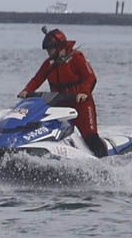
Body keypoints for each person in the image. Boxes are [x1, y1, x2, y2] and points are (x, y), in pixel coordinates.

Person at [18, 27, 108, 157]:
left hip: (81, 104)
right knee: (49, 132)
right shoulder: (49, 63)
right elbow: (37, 79)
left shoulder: (77, 58)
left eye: (51, 49)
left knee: (91, 137)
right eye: (48, 50)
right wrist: (27, 90)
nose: (48, 53)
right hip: (59, 104)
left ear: (60, 47)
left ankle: (104, 163)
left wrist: (83, 92)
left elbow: (90, 77)